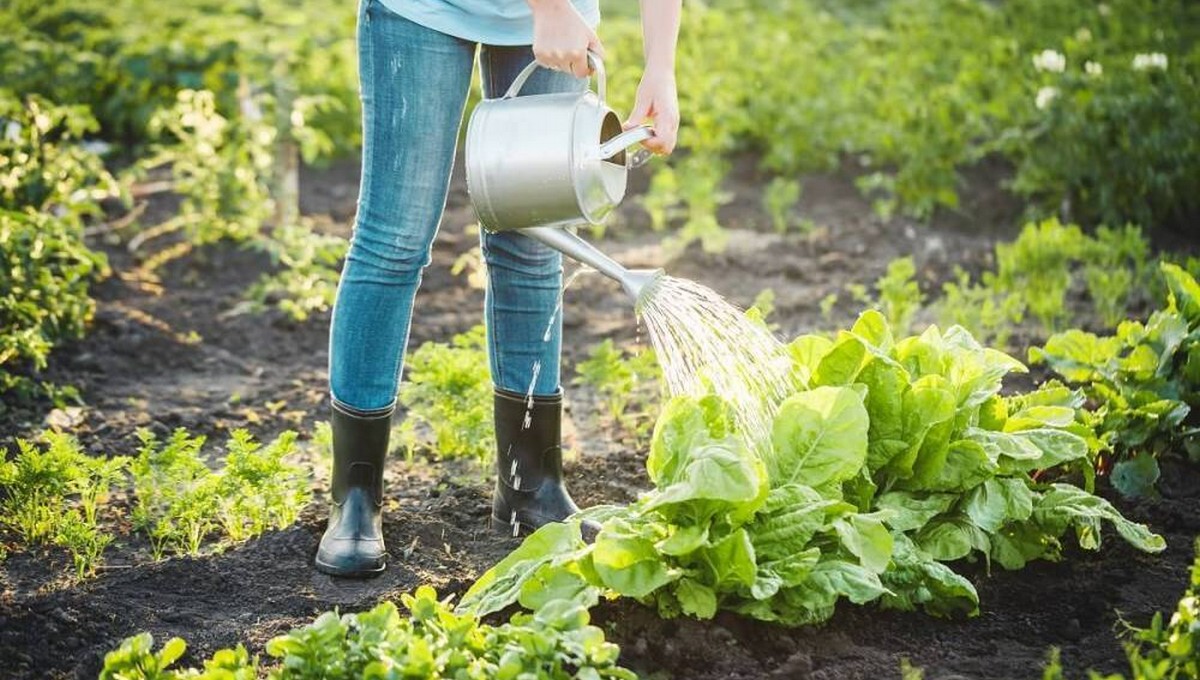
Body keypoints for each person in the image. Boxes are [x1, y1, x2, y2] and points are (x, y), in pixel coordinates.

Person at [315, 0, 682, 577]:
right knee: (395, 238)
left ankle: (531, 485)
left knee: (535, 236)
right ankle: (355, 498)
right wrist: (551, 7)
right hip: (426, 11)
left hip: (555, 18)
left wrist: (660, 67)